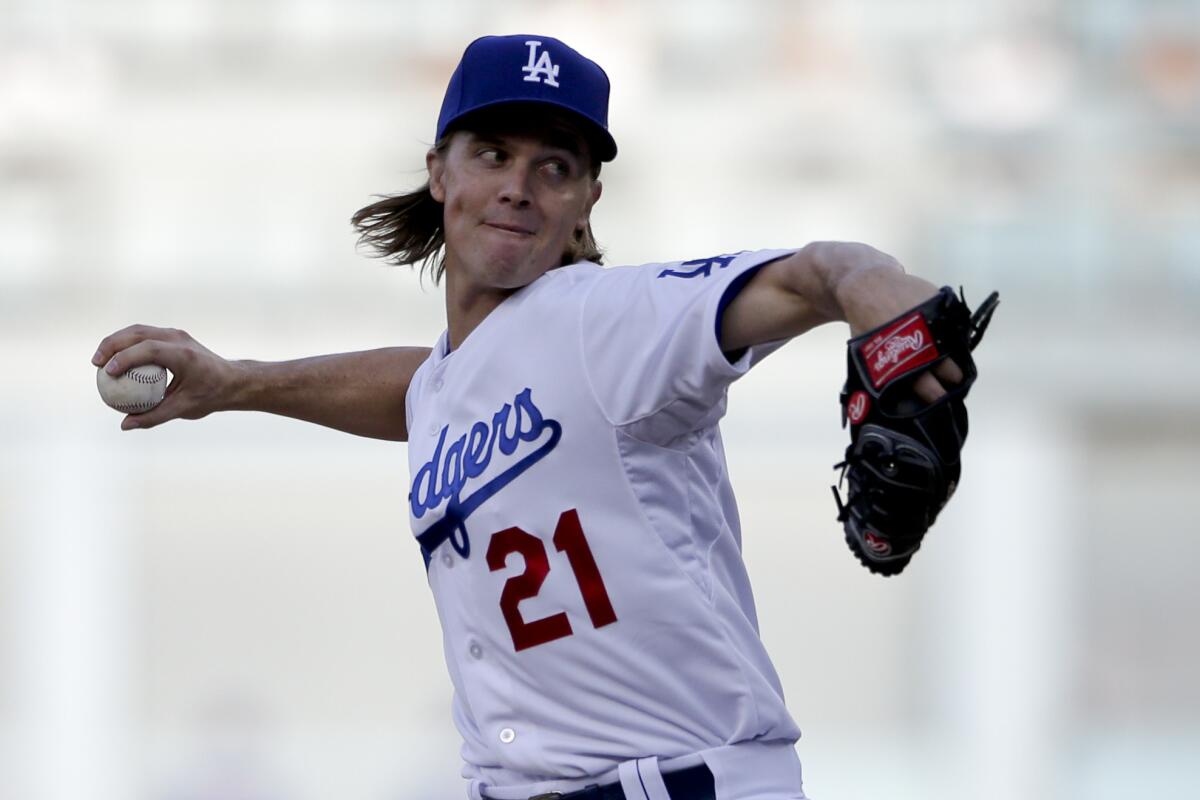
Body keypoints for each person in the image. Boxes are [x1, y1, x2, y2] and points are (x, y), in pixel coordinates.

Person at [93, 34, 964, 800]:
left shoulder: (608, 322)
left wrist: (871, 291)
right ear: (440, 171)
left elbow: (811, 273)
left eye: (554, 166)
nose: (518, 187)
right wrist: (238, 383)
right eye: (494, 154)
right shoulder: (455, 383)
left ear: (588, 199)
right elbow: (426, 389)